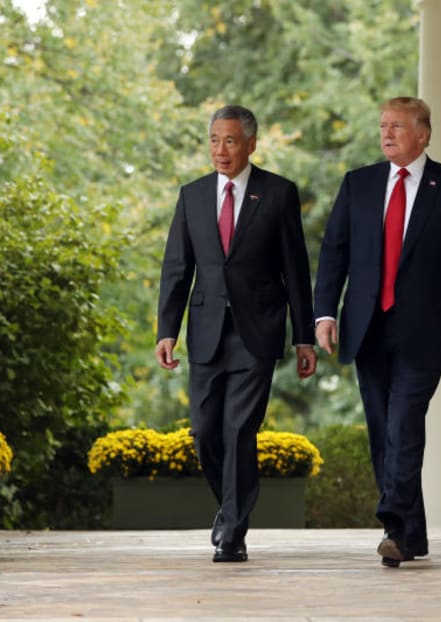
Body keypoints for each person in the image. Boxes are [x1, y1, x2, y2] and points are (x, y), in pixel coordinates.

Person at [313, 96, 441, 568]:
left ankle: (392, 520)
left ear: (424, 134)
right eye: (383, 126)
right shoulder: (359, 185)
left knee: (405, 424)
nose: (387, 134)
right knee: (381, 429)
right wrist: (324, 314)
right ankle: (410, 535)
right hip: (366, 327)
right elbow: (334, 253)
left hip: (426, 330)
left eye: (397, 126)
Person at [156, 105, 317, 563]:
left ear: (250, 143)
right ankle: (229, 508)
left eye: (229, 141)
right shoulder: (192, 196)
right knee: (206, 431)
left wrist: (303, 337)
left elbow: (295, 270)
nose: (220, 150)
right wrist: (166, 329)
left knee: (239, 428)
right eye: (213, 140)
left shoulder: (278, 193)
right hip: (206, 331)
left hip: (258, 331)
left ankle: (233, 532)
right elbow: (176, 267)